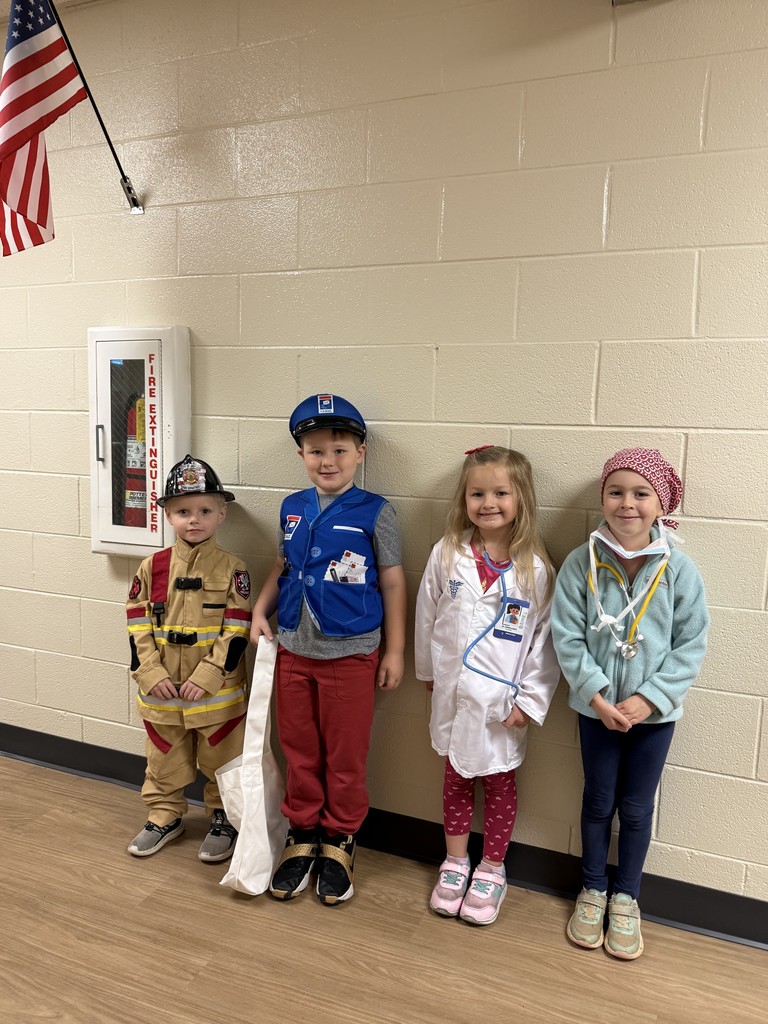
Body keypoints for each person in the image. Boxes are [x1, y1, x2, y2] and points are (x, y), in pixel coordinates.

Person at [551, 448, 709, 960]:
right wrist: (595, 695)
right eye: (616, 491)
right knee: (598, 801)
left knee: (638, 809)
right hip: (595, 709)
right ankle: (592, 889)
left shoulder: (679, 570)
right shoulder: (582, 562)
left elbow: (691, 644)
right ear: (603, 498)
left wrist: (650, 699)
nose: (627, 504)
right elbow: (566, 637)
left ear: (660, 503)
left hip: (654, 716)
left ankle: (627, 897)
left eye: (641, 493)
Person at [250, 394, 406, 906]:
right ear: (301, 456)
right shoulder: (292, 508)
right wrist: (260, 613)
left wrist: (395, 651)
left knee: (343, 754)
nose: (328, 461)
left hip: (351, 653)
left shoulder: (376, 511)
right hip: (293, 648)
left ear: (360, 453)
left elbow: (393, 582)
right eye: (316, 451)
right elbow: (282, 567)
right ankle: (302, 834)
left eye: (339, 450)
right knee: (298, 749)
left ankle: (340, 836)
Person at [415, 445, 559, 926]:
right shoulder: (447, 553)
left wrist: (531, 701)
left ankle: (492, 869)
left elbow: (546, 642)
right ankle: (455, 863)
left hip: (502, 703)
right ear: (464, 498)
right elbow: (426, 616)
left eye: (501, 492)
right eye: (477, 493)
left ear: (522, 500)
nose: (488, 502)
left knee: (499, 782)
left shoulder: (534, 570)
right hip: (454, 694)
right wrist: (428, 673)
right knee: (455, 776)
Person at [125, 455, 252, 862]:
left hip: (217, 697)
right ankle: (164, 814)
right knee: (163, 758)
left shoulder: (234, 569)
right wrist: (148, 670)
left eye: (204, 511)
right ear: (166, 514)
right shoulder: (152, 567)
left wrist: (211, 673)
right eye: (183, 511)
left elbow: (237, 632)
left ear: (221, 514)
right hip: (162, 692)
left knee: (223, 760)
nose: (193, 520)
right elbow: (136, 625)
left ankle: (223, 818)